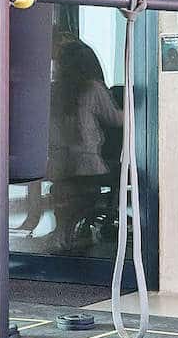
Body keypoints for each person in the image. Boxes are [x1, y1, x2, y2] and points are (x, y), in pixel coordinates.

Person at [46, 37, 123, 254]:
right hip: (87, 164)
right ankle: (79, 229)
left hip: (58, 164)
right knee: (86, 195)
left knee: (65, 194)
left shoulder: (54, 91)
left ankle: (63, 235)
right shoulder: (92, 88)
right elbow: (115, 119)